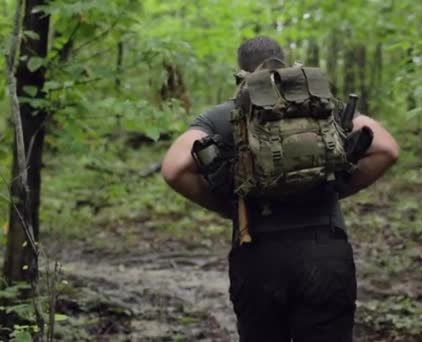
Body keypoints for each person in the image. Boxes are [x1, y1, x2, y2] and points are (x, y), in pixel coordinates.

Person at [161, 36, 399, 342]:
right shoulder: (321, 107)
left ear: (241, 72)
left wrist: (228, 206)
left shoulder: (224, 115)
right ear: (283, 62)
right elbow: (387, 149)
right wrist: (336, 188)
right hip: (325, 251)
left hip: (257, 255)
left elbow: (173, 168)